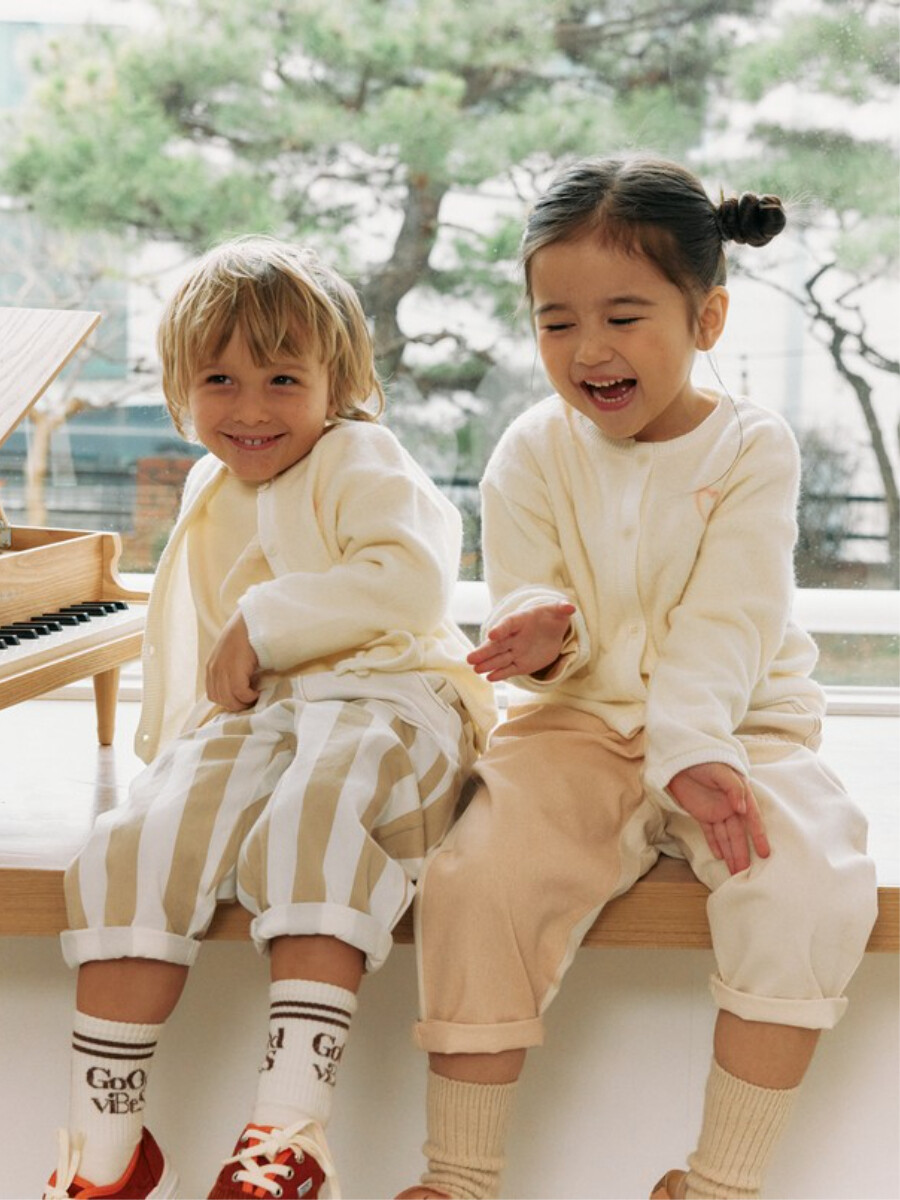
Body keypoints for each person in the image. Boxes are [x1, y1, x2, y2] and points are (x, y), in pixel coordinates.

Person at [397, 155, 878, 1200]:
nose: (589, 349)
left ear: (707, 318)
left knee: (806, 883)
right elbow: (531, 595)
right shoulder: (530, 451)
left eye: (623, 317)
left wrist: (694, 749)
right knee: (478, 880)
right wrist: (542, 637)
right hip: (575, 728)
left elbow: (730, 618)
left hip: (742, 728)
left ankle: (719, 1184)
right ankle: (459, 1175)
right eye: (556, 322)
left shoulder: (752, 448)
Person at [43, 234, 496, 1200]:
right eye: (220, 379)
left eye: (283, 379)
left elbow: (412, 579)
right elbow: (195, 645)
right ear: (182, 387)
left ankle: (289, 1133)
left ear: (341, 384)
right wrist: (183, 748)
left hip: (389, 699)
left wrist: (264, 620)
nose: (250, 408)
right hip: (270, 718)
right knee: (135, 843)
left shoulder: (361, 455)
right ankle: (107, 1153)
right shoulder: (214, 485)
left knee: (313, 820)